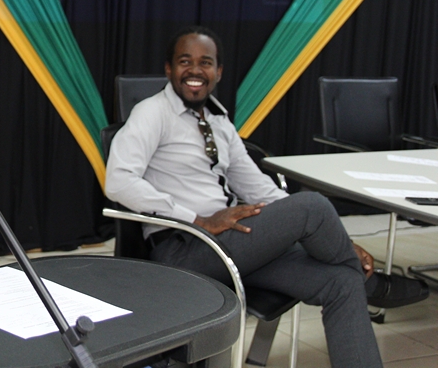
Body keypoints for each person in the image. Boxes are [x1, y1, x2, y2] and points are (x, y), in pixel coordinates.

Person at [105, 26, 428, 368]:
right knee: (313, 205)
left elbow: (258, 188)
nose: (195, 70)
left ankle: (358, 276)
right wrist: (198, 220)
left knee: (342, 280)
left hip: (232, 248)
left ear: (218, 72)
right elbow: (119, 181)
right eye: (185, 61)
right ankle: (373, 284)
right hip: (185, 250)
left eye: (206, 62)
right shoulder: (152, 112)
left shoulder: (219, 122)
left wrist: (337, 244)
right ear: (169, 69)